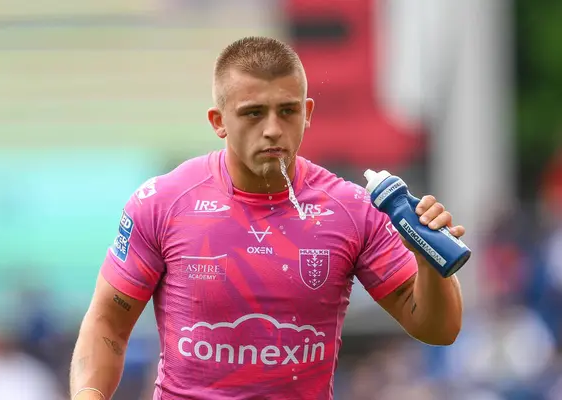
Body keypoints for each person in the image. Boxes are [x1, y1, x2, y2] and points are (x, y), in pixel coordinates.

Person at [69, 36, 465, 400]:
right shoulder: (162, 202)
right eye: (253, 113)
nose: (273, 130)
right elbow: (108, 324)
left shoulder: (353, 209)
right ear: (218, 121)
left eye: (287, 111)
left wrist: (427, 260)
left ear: (307, 113)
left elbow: (438, 329)